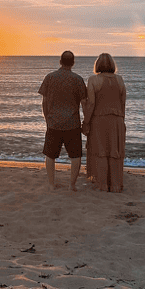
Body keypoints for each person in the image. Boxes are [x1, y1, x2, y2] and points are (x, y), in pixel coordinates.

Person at [38, 50, 88, 190]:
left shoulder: (50, 77)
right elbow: (84, 102)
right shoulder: (77, 79)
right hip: (72, 124)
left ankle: (51, 184)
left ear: (60, 61)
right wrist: (86, 121)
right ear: (73, 63)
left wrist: (47, 118)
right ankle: (72, 185)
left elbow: (44, 102)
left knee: (50, 155)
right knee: (75, 155)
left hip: (54, 122)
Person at [82, 52, 126, 192]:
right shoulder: (120, 80)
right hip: (117, 120)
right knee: (115, 152)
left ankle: (102, 184)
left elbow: (91, 104)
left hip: (99, 120)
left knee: (100, 152)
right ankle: (115, 185)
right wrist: (122, 121)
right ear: (113, 65)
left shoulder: (93, 80)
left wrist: (86, 122)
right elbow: (123, 103)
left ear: (97, 65)